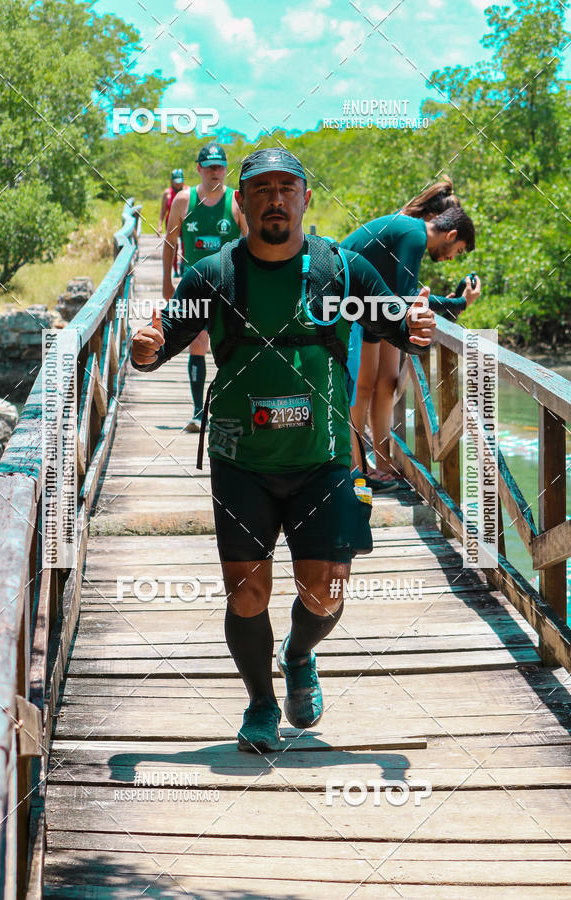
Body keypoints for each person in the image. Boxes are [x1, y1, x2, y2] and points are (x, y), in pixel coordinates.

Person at [131, 148, 436, 753]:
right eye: (261, 189)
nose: (275, 199)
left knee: (326, 592)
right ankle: (261, 705)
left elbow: (396, 326)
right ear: (240, 202)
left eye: (286, 188)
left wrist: (419, 328)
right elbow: (161, 340)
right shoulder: (213, 276)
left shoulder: (342, 271)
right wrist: (145, 347)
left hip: (324, 457)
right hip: (240, 458)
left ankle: (299, 656)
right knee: (247, 591)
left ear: (305, 198)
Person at [343, 186, 481, 487]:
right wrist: (459, 303)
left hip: (367, 305)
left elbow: (404, 298)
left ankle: (380, 461)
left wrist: (448, 304)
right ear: (451, 234)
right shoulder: (414, 235)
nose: (449, 259)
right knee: (361, 388)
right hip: (345, 303)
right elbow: (407, 300)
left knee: (385, 383)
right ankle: (356, 470)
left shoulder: (413, 232)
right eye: (456, 252)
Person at [163, 143, 247, 433]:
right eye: (209, 166)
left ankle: (228, 407)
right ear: (198, 168)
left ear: (226, 168)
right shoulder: (183, 201)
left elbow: (250, 245)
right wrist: (166, 281)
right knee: (196, 342)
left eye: (220, 166)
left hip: (230, 284)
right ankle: (199, 411)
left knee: (229, 345)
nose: (215, 171)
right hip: (194, 284)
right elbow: (170, 242)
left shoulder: (236, 202)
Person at [157, 168, 185, 277]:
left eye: (180, 181)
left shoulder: (187, 191)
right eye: (176, 182)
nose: (178, 185)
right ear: (171, 181)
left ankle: (183, 267)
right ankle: (175, 270)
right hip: (171, 223)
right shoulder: (167, 193)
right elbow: (163, 211)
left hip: (185, 223)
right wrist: (159, 226)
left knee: (185, 246)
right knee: (173, 246)